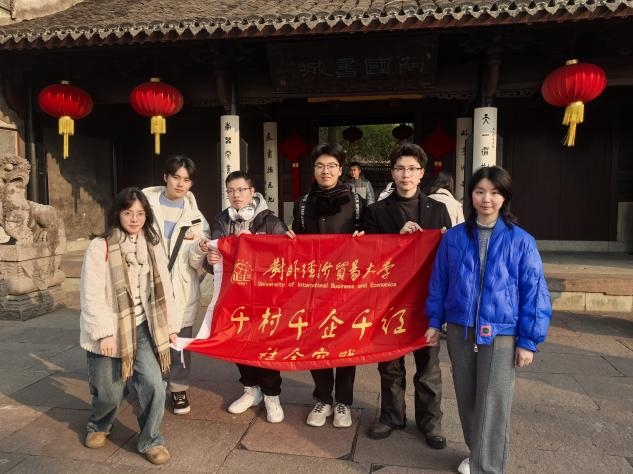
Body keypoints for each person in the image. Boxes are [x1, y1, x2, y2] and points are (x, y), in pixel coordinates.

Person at [425, 166, 552, 474]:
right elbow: (439, 282)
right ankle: (477, 454)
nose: (487, 199)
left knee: (494, 401)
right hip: (460, 329)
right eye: (480, 191)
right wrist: (433, 321)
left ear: (505, 197)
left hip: (502, 331)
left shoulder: (521, 241)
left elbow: (535, 292)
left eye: (495, 193)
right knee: (467, 395)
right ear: (470, 195)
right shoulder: (454, 238)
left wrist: (528, 340)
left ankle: (489, 467)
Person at [79, 187, 179, 465]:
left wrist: (170, 325)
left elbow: (165, 287)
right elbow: (91, 293)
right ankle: (99, 424)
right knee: (109, 393)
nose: (134, 219)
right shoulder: (100, 246)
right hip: (110, 329)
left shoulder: (152, 244)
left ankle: (151, 439)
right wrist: (104, 334)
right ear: (117, 214)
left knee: (154, 385)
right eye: (128, 213)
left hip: (143, 326)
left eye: (140, 213)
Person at [363, 143, 452, 449]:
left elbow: (446, 256)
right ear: (392, 172)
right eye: (400, 168)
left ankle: (431, 423)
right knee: (390, 364)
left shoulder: (437, 210)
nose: (406, 175)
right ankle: (391, 416)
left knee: (428, 366)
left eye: (412, 169)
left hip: (426, 300)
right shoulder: (376, 212)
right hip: (389, 300)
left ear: (422, 173)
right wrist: (396, 242)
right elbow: (369, 257)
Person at [191, 170, 288, 423]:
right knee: (238, 341)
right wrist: (211, 258)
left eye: (241, 190)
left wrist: (254, 244)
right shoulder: (222, 220)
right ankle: (250, 390)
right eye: (231, 191)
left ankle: (272, 396)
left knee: (265, 344)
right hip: (234, 295)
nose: (236, 195)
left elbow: (284, 259)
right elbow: (214, 264)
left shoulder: (271, 221)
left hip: (265, 295)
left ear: (252, 192)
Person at [287, 142, 366, 429]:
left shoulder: (357, 202)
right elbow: (296, 241)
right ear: (314, 169)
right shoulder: (303, 203)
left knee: (345, 342)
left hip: (346, 287)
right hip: (313, 287)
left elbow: (371, 241)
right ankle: (322, 398)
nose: (326, 171)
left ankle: (343, 401)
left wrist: (363, 239)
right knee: (315, 341)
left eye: (332, 165)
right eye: (320, 166)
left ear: (340, 169)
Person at [143, 155, 210, 416]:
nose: (181, 184)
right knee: (147, 339)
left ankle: (178, 388)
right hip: (148, 284)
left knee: (179, 342)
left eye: (187, 179)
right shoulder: (144, 205)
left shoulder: (196, 217)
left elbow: (195, 262)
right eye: (176, 177)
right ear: (165, 177)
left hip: (180, 289)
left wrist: (200, 249)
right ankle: (150, 385)